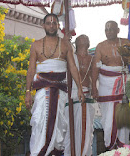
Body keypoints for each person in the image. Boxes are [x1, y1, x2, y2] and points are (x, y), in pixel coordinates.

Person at [25, 13, 85, 156]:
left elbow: (72, 68)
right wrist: (28, 91)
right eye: (48, 23)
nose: (51, 25)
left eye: (54, 23)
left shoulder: (66, 45)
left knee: (59, 125)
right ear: (43, 25)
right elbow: (31, 69)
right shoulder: (36, 45)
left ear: (58, 25)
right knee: (40, 122)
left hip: (60, 92)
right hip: (42, 91)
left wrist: (80, 89)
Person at [91, 21, 130, 149]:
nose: (108, 32)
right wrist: (93, 87)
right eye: (106, 30)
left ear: (118, 30)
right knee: (107, 119)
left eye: (111, 29)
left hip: (123, 83)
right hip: (105, 84)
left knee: (123, 116)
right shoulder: (100, 46)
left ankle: (123, 146)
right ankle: (110, 146)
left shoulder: (126, 43)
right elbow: (95, 67)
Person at [64, 35, 95, 156]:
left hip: (86, 96)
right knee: (70, 130)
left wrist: (94, 90)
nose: (83, 42)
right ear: (76, 43)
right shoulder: (71, 58)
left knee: (86, 130)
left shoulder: (92, 59)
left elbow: (93, 77)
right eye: (80, 40)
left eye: (85, 40)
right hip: (71, 96)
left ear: (88, 43)